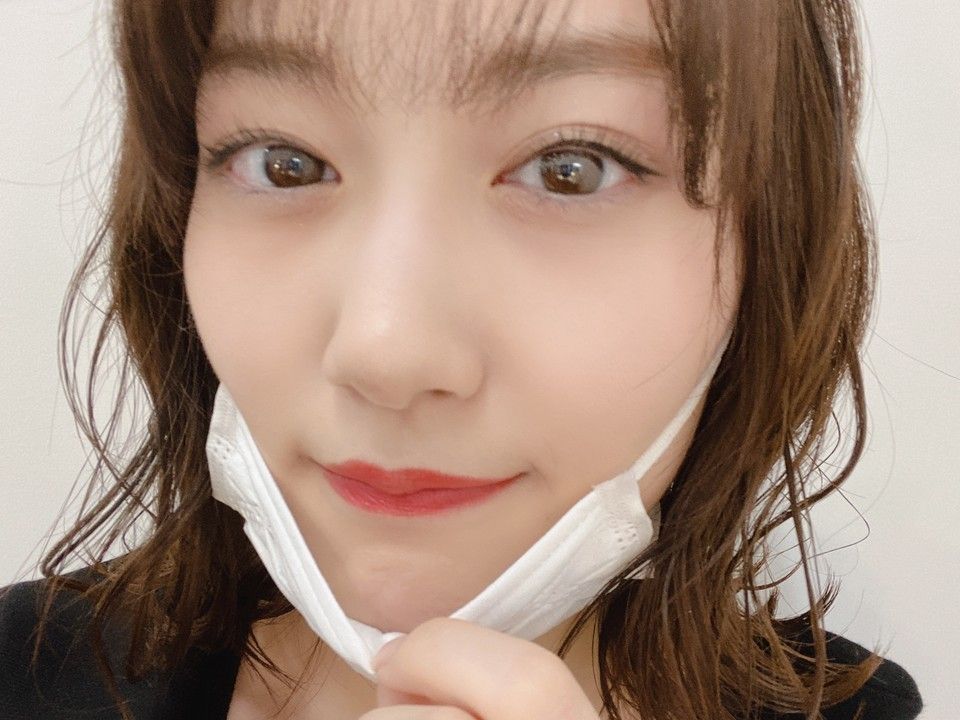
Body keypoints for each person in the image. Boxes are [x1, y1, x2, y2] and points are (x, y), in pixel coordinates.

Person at [0, 0, 926, 718]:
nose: (386, 353)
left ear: (767, 250)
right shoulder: (25, 670)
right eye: (283, 161)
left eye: (572, 168)